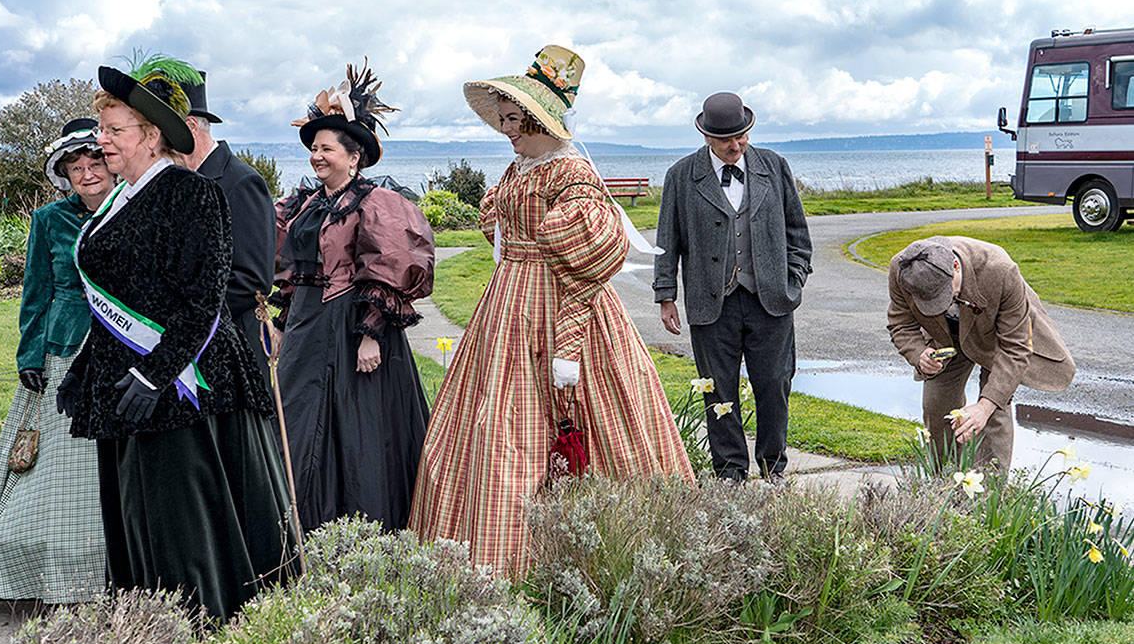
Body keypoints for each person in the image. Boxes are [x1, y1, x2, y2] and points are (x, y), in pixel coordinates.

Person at [409, 45, 692, 577]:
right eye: (504, 118)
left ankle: (609, 551)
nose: (505, 129)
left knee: (587, 418)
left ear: (539, 117)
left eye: (512, 118)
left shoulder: (571, 174)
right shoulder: (523, 168)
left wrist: (550, 234)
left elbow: (592, 254)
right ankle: (490, 560)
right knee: (497, 424)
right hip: (508, 307)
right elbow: (502, 228)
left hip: (560, 303)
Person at [57, 55, 299, 622]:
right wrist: (85, 367)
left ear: (151, 136)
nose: (103, 142)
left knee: (178, 522)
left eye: (115, 131)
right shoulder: (118, 201)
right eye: (102, 130)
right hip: (126, 389)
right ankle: (146, 634)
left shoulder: (191, 194)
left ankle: (201, 630)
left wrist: (152, 373)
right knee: (136, 519)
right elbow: (119, 296)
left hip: (180, 392)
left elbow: (205, 300)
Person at [271, 62, 434, 532]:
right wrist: (283, 323)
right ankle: (297, 529)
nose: (317, 156)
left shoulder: (375, 203)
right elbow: (293, 270)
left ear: (353, 156)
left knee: (357, 430)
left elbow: (386, 268)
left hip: (351, 327)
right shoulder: (303, 204)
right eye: (314, 149)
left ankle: (363, 530)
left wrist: (371, 335)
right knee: (297, 420)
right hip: (306, 328)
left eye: (326, 149)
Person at [0, 118, 113, 604]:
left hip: (121, 348)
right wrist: (30, 354)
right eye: (77, 166)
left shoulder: (132, 205)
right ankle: (46, 569)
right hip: (66, 345)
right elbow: (36, 292)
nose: (88, 173)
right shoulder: (49, 219)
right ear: (65, 173)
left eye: (95, 161)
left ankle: (117, 565)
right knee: (55, 465)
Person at [653, 92, 813, 482]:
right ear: (706, 136)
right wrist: (666, 294)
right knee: (718, 391)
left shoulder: (774, 167)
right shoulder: (681, 175)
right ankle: (730, 474)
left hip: (772, 300)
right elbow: (667, 239)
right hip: (711, 303)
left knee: (774, 386)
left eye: (742, 136)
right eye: (726, 139)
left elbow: (798, 233)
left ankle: (774, 468)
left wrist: (794, 277)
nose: (736, 145)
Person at [887, 236, 1075, 470]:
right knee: (937, 407)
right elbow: (901, 323)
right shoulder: (903, 268)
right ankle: (943, 487)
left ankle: (988, 496)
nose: (942, 305)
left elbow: (1015, 347)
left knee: (994, 408)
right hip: (944, 338)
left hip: (997, 335)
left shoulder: (1000, 271)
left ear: (955, 267)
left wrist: (984, 407)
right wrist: (919, 354)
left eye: (946, 296)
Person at [174, 70, 276, 377]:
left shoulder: (241, 182)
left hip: (234, 346)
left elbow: (253, 280)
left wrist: (185, 315)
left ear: (190, 126)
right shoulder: (181, 182)